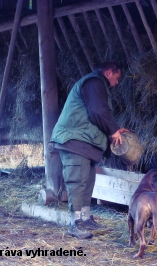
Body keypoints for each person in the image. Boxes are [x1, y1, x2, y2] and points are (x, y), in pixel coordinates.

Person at [50, 61, 129, 239]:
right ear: (109, 72)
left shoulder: (97, 85)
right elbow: (98, 112)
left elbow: (96, 116)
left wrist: (113, 130)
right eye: (117, 78)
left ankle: (85, 218)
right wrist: (113, 130)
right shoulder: (94, 82)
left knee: (88, 181)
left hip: (85, 143)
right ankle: (74, 223)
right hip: (74, 140)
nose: (117, 83)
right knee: (77, 181)